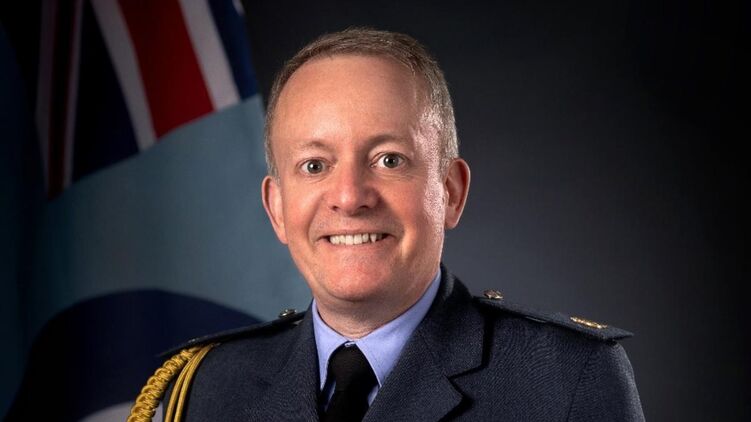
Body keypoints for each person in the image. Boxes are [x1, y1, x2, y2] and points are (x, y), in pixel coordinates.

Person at [128, 28, 644, 422]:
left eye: (389, 160)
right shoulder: (211, 386)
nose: (350, 197)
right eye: (315, 165)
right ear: (277, 208)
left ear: (451, 192)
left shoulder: (564, 382)